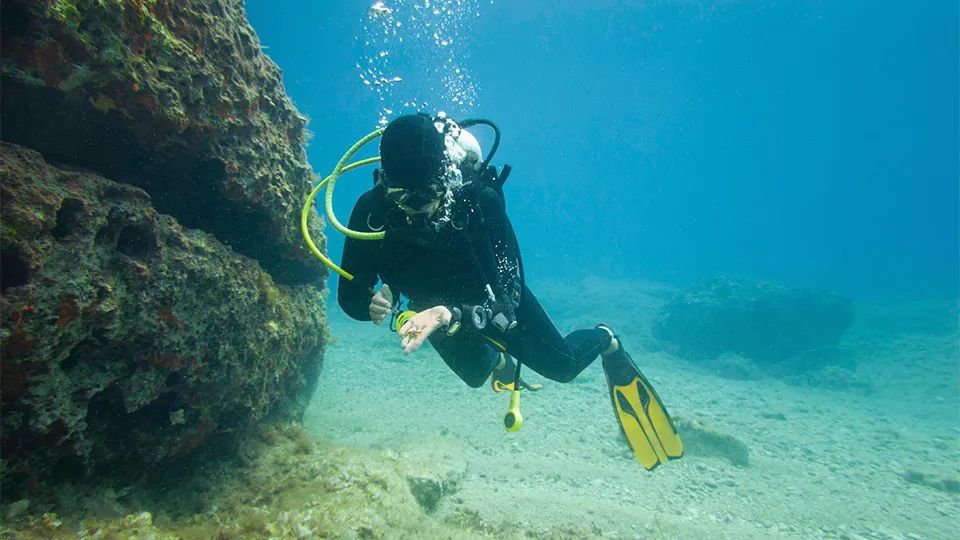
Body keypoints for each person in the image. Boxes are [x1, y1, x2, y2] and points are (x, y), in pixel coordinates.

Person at [336, 113, 682, 469]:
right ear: (384, 183)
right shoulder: (371, 211)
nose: (417, 208)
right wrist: (369, 304)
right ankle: (500, 362)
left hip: (490, 305)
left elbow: (507, 302)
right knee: (475, 376)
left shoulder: (479, 202)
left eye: (428, 194)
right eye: (402, 196)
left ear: (447, 178)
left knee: (563, 367)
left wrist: (448, 313)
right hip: (432, 314)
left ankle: (605, 338)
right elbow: (348, 294)